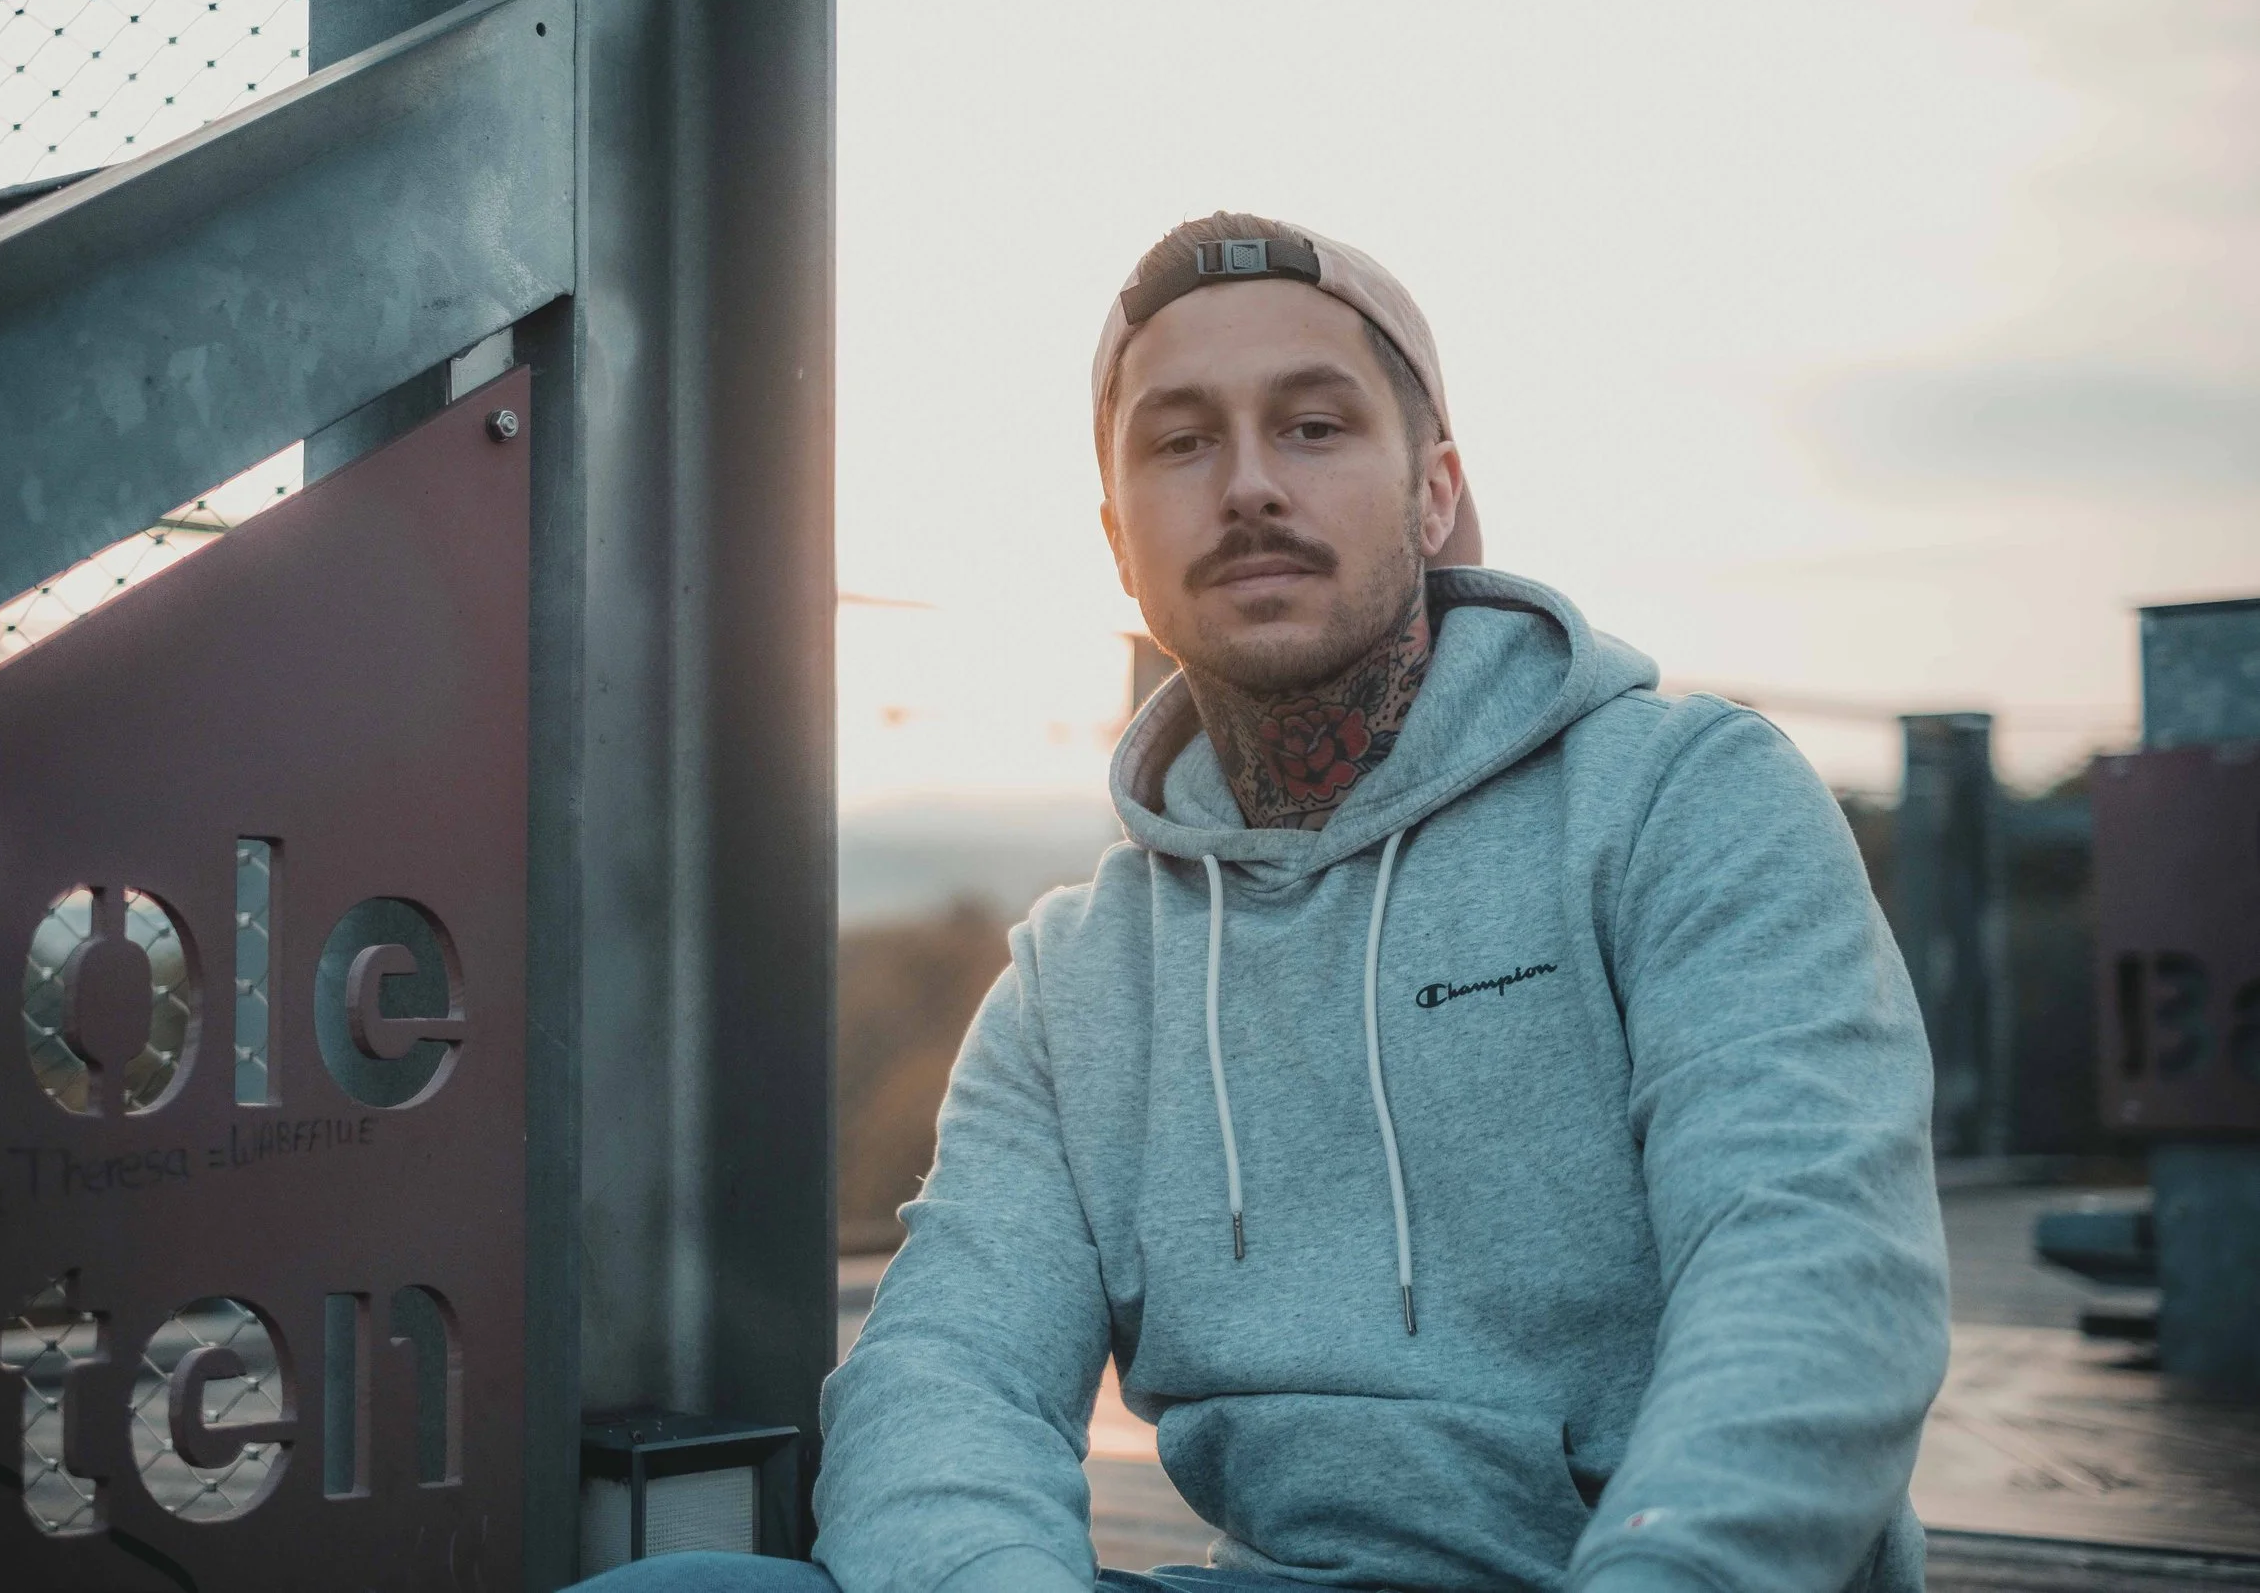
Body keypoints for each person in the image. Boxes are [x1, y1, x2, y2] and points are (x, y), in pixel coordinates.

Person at [578, 214, 1949, 1593]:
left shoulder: (1685, 802)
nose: (1245, 486)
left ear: (1432, 490)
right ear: (1118, 540)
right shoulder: (1080, 977)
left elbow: (1815, 1279)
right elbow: (949, 1378)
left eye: (1312, 426)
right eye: (1180, 441)